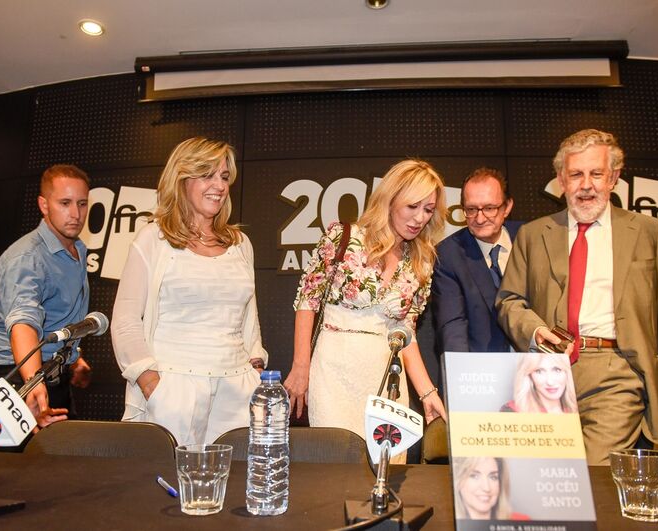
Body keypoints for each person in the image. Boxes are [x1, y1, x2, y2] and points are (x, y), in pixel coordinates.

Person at [497, 129, 658, 465]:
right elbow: (509, 301)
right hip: (547, 369)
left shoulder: (647, 231)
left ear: (613, 178)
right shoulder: (532, 235)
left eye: (596, 174)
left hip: (615, 371)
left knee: (592, 472)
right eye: (576, 175)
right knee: (545, 473)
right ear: (561, 180)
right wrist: (535, 330)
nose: (586, 185)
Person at [111, 137, 268, 446]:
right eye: (207, 175)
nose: (219, 186)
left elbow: (249, 317)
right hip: (174, 388)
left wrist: (256, 368)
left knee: (237, 475)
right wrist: (152, 384)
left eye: (224, 177)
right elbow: (125, 320)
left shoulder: (240, 243)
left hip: (238, 391)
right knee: (168, 476)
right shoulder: (153, 238)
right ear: (181, 179)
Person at [284, 159, 448, 440]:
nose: (420, 218)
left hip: (387, 379)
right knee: (336, 458)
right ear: (391, 199)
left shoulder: (421, 261)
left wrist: (427, 392)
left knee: (385, 461)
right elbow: (308, 300)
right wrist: (301, 366)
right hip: (333, 373)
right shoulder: (343, 237)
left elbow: (405, 332)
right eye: (412, 206)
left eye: (428, 209)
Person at [0, 164, 93, 427]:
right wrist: (32, 382)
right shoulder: (27, 257)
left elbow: (56, 318)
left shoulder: (77, 248)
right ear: (44, 205)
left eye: (82, 204)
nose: (76, 214)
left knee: (63, 453)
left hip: (53, 372)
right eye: (65, 203)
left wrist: (73, 358)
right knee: (17, 456)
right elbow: (24, 322)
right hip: (17, 377)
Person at [432, 167, 522, 354]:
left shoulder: (531, 238)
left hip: (539, 363)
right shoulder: (448, 255)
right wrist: (462, 368)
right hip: (482, 366)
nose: (480, 219)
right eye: (471, 209)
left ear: (507, 207)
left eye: (489, 208)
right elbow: (452, 326)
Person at [454, 456, 529, 520]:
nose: (486, 488)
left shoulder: (522, 521)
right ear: (458, 479)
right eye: (474, 476)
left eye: (493, 477)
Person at [501, 353, 577, 413]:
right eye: (539, 371)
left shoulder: (574, 411)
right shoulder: (512, 411)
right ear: (529, 376)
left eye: (557, 370)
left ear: (567, 373)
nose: (550, 382)